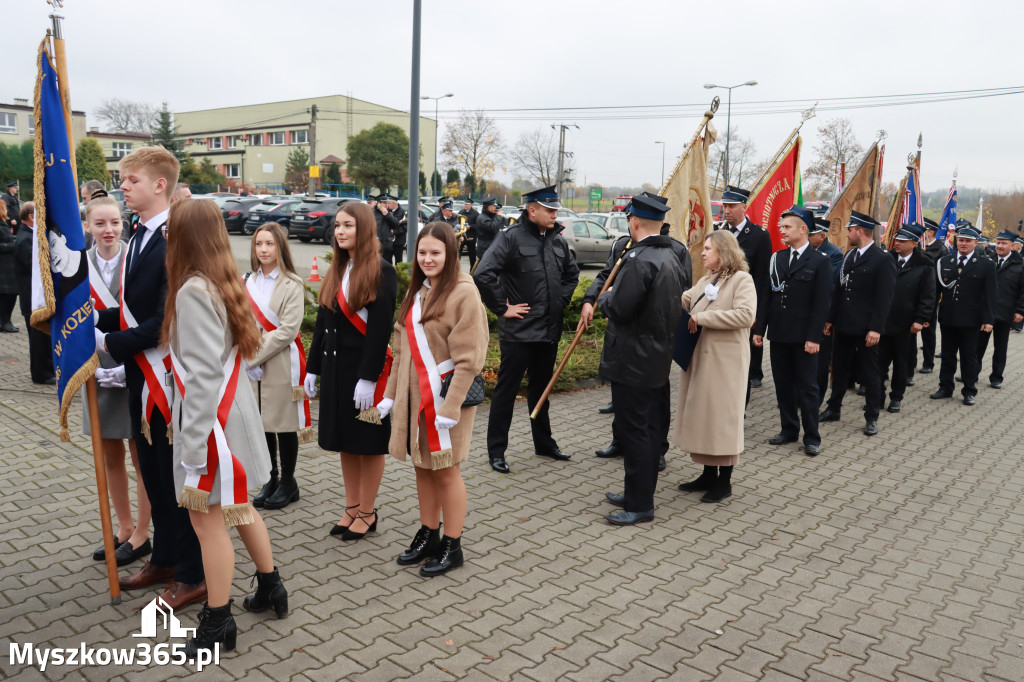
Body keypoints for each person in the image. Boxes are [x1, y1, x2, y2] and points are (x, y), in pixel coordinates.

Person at [161, 198, 287, 656]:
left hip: (210, 423)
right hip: (232, 414)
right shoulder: (224, 280)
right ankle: (272, 587)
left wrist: (193, 450)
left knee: (208, 522)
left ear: (183, 238)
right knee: (240, 509)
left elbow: (200, 377)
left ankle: (218, 621)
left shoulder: (193, 290)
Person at [95, 146, 206, 609]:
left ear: (160, 185)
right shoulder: (140, 232)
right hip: (142, 376)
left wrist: (107, 344)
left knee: (175, 478)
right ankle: (164, 557)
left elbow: (165, 317)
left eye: (131, 179)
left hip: (168, 378)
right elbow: (132, 308)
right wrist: (92, 320)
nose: (123, 186)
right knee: (153, 475)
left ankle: (194, 574)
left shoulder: (175, 239)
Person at [378, 222, 489, 575]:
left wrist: (451, 405)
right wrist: (389, 396)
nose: (427, 259)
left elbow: (470, 359)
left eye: (435, 253)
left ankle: (453, 545)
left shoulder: (464, 293)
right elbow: (401, 349)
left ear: (450, 254)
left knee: (446, 471)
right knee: (422, 466)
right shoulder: (418, 292)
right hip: (416, 398)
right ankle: (430, 534)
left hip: (446, 400)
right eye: (422, 253)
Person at [591, 194, 685, 525]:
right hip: (653, 355)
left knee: (635, 431)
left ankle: (641, 503)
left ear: (632, 221)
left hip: (634, 357)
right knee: (643, 428)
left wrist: (606, 299)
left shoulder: (639, 259)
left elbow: (618, 307)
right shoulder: (669, 255)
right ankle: (636, 492)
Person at [305, 202, 397, 540]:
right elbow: (324, 324)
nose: (340, 231)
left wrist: (369, 378)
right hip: (335, 370)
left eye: (348, 226)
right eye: (337, 226)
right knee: (346, 442)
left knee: (368, 444)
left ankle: (368, 512)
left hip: (363, 375)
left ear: (364, 229)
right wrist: (313, 368)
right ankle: (351, 507)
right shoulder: (338, 268)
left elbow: (380, 330)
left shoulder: (381, 270)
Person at [473, 185, 580, 473]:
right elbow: (483, 274)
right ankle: (497, 451)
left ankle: (544, 444)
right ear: (531, 210)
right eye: (549, 209)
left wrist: (560, 301)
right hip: (519, 333)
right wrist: (502, 308)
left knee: (542, 391)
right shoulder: (509, 238)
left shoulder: (557, 240)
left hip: (548, 331)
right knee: (506, 393)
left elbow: (572, 275)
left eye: (555, 209)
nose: (554, 214)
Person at [84, 195, 153, 566]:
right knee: (109, 455)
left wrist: (126, 365)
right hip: (95, 370)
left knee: (140, 455)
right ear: (88, 227)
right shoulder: (77, 265)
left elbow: (145, 318)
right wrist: (89, 365)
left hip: (136, 367)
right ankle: (124, 529)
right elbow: (70, 323)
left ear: (123, 223)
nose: (108, 230)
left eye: (114, 222)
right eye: (100, 224)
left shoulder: (136, 259)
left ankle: (143, 533)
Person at [674, 230, 757, 503]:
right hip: (702, 360)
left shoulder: (741, 280)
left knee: (723, 419)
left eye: (708, 248)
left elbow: (746, 315)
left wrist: (704, 317)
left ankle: (725, 482)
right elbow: (687, 299)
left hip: (726, 363)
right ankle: (708, 474)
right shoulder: (707, 279)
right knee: (706, 417)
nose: (703, 253)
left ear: (723, 251)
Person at [244, 222, 313, 511]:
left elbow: (287, 330)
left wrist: (253, 356)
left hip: (281, 361)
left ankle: (289, 482)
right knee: (261, 424)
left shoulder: (292, 283)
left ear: (280, 247)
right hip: (251, 363)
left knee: (282, 424)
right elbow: (240, 322)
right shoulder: (245, 281)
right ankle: (270, 478)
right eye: (259, 244)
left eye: (269, 244)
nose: (263, 249)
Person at [753, 206, 832, 457]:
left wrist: (814, 337)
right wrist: (760, 329)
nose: (782, 231)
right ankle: (788, 429)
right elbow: (767, 294)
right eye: (782, 227)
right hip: (779, 333)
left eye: (787, 227)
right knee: (783, 385)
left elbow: (822, 304)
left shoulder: (820, 261)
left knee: (807, 388)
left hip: (804, 338)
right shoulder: (777, 258)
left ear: (803, 229)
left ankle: (812, 436)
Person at [819, 211, 896, 436]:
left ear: (860, 231)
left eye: (850, 230)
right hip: (844, 325)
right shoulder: (850, 256)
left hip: (866, 328)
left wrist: (876, 328)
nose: (848, 234)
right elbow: (840, 291)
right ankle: (834, 408)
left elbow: (884, 298)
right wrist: (831, 319)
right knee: (840, 370)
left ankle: (871, 416)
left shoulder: (882, 259)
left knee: (870, 373)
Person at [930, 226, 996, 405]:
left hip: (971, 320)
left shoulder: (986, 264)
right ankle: (945, 387)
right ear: (956, 241)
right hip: (948, 317)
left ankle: (969, 390)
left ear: (976, 243)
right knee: (947, 355)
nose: (964, 244)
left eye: (968, 241)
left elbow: (990, 295)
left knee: (969, 356)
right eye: (961, 240)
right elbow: (935, 291)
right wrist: (928, 315)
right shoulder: (945, 261)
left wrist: (988, 319)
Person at [715, 185, 771, 390]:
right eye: (725, 206)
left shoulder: (759, 236)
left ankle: (750, 376)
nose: (727, 210)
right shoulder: (719, 234)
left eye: (732, 206)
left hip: (745, 300)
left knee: (745, 347)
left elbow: (763, 278)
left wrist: (758, 312)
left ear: (744, 207)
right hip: (721, 301)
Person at [876, 225, 935, 413]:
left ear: (914, 243)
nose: (897, 243)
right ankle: (877, 396)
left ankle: (896, 397)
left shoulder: (924, 263)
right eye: (897, 240)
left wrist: (920, 319)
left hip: (905, 324)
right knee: (878, 363)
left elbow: (928, 296)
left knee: (901, 364)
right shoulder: (886, 258)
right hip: (882, 321)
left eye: (902, 241)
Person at [975, 231, 1024, 389]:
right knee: (978, 345)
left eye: (1004, 243)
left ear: (1012, 245)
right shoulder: (987, 261)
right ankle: (972, 373)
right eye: (998, 243)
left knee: (1000, 347)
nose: (1000, 246)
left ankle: (996, 376)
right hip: (985, 311)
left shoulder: (1020, 264)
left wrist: (1020, 310)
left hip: (1005, 311)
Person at [14, 202, 55, 383]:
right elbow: (35, 268)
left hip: (35, 298)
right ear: (32, 217)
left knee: (42, 340)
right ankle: (41, 375)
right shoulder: (25, 239)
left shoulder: (28, 236)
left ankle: (47, 370)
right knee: (38, 341)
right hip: (32, 300)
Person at [809, 214, 843, 404]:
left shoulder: (834, 254)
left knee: (821, 361)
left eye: (811, 234)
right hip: (806, 312)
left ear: (822, 236)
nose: (807, 237)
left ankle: (818, 398)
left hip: (824, 314)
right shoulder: (805, 249)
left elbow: (829, 282)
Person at [916, 218, 948, 375]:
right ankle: (910, 362)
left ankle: (928, 362)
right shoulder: (918, 246)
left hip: (930, 293)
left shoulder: (940, 249)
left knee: (928, 329)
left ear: (931, 232)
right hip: (913, 291)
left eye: (925, 231)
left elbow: (943, 273)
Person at [0, 201, 18, 333]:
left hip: (8, 264)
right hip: (3, 265)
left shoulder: (3, 223)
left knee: (9, 295)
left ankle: (5, 321)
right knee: (7, 295)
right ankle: (4, 322)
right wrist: (13, 246)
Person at [474, 196, 506, 264]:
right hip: (485, 248)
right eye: (494, 206)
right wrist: (499, 216)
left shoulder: (490, 216)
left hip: (490, 247)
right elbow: (492, 227)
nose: (495, 208)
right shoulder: (482, 218)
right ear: (489, 207)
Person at [370, 195, 396, 263]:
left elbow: (395, 224)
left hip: (387, 245)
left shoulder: (389, 213)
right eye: (384, 203)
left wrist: (387, 215)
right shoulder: (372, 213)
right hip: (376, 245)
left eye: (387, 203)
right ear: (378, 203)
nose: (386, 205)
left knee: (387, 265)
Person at [458, 198, 480, 270]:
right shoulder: (461, 212)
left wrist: (470, 227)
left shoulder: (476, 213)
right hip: (461, 236)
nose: (465, 205)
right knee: (458, 254)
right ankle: (456, 270)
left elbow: (478, 225)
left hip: (471, 237)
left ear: (471, 205)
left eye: (467, 204)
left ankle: (472, 271)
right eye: (465, 204)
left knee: (472, 256)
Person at [386, 196, 407, 263]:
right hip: (388, 241)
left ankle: (399, 273)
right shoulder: (387, 212)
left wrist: (394, 232)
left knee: (398, 261)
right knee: (388, 260)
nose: (388, 205)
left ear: (395, 204)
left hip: (398, 241)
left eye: (389, 203)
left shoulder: (403, 212)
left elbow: (405, 227)